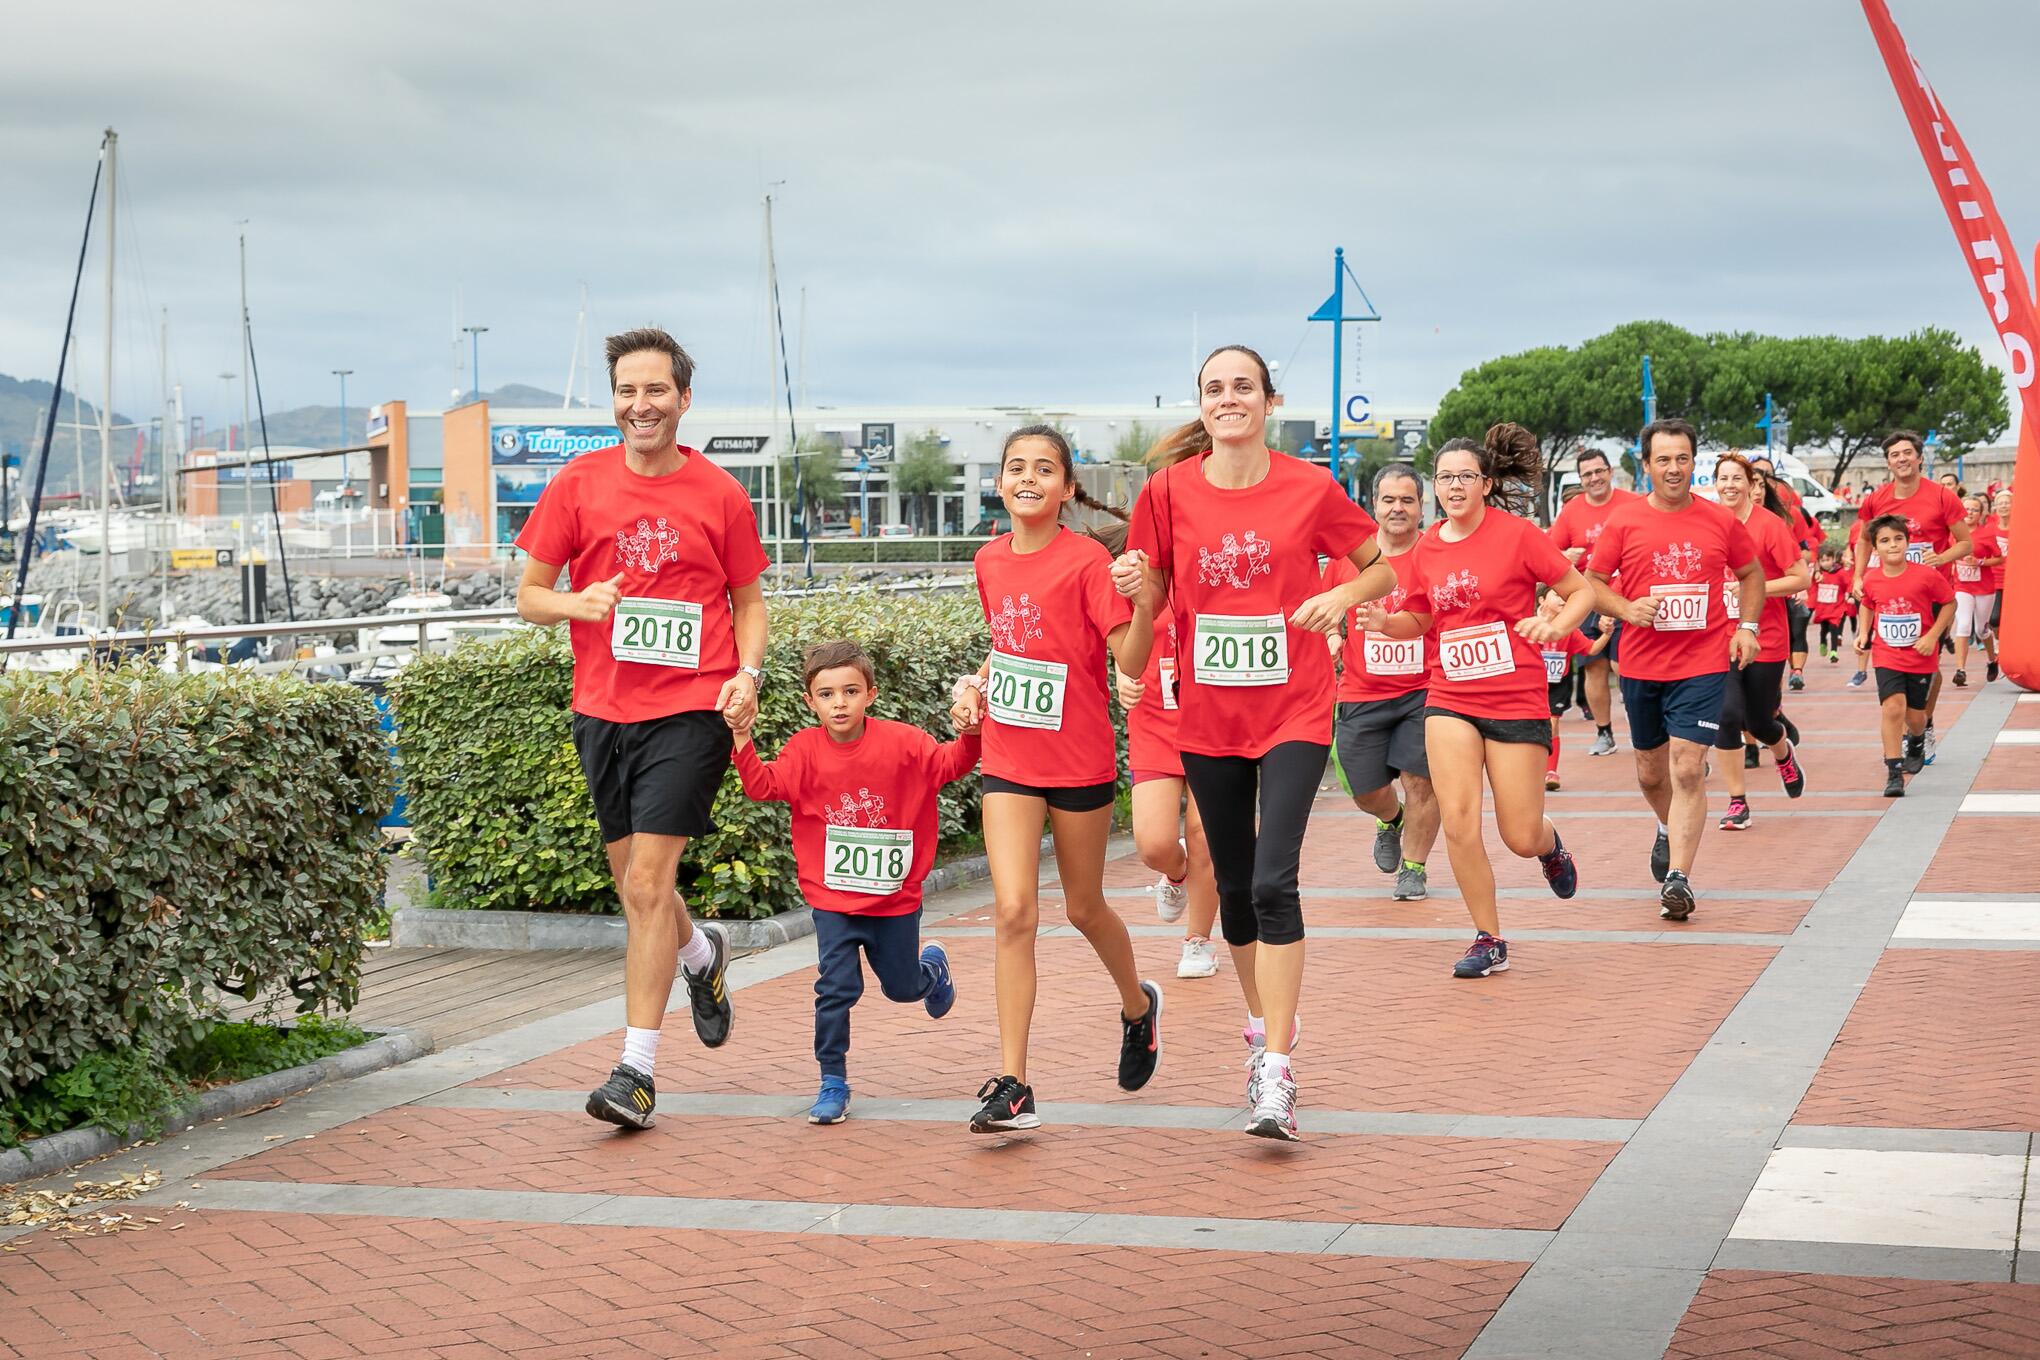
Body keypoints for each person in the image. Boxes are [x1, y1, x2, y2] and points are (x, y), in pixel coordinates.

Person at [1112, 344, 1394, 1142]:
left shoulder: (1310, 486)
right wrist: (1139, 604)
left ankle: (1276, 1068)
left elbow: (1381, 572)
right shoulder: (1164, 496)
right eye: (1214, 388)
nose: (1228, 398)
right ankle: (1262, 1021)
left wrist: (1339, 592)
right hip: (1208, 718)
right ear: (1200, 406)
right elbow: (1138, 645)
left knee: (1275, 882)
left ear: (1270, 402)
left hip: (1297, 709)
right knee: (1234, 890)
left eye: (1244, 387)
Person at [514, 327, 766, 1130]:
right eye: (627, 390)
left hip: (692, 709)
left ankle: (637, 1072)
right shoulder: (578, 484)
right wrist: (576, 604)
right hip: (604, 710)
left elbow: (749, 601)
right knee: (638, 890)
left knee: (652, 884)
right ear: (614, 400)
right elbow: (529, 594)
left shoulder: (720, 493)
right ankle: (702, 954)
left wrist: (747, 677)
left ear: (683, 400)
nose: (640, 404)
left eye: (655, 390)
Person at [949, 425, 1158, 1134]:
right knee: (1013, 912)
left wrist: (1148, 605)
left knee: (1083, 907)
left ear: (1068, 487)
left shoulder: (1087, 562)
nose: (1028, 477)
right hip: (1008, 758)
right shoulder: (987, 560)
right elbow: (1009, 647)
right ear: (1001, 484)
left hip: (1078, 760)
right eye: (1016, 467)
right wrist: (976, 685)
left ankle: (1137, 1006)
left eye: (1045, 468)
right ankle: (1015, 1083)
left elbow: (1128, 661)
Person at [1358, 424, 1590, 978]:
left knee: (1518, 833)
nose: (1454, 485)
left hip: (1515, 699)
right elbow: (1421, 616)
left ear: (1485, 483)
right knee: (1459, 820)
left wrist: (1553, 623)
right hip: (1449, 697)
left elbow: (1579, 591)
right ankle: (1488, 936)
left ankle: (1549, 845)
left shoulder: (1519, 536)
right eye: (1444, 477)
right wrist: (1387, 622)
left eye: (1465, 476)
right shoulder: (1429, 544)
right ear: (1435, 487)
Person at [730, 640, 978, 1124]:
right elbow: (764, 785)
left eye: (849, 691)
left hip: (894, 900)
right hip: (834, 900)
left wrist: (971, 733)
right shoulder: (804, 750)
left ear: (871, 694)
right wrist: (742, 739)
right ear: (810, 701)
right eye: (826, 694)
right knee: (836, 987)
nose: (838, 703)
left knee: (902, 989)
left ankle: (931, 971)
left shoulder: (904, 742)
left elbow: (952, 764)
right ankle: (832, 1080)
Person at [1586, 419, 1763, 923]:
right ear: (1645, 466)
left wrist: (1746, 626)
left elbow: (1751, 573)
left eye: (1682, 458)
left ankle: (1679, 878)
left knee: (1687, 767)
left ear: (1694, 463)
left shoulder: (1719, 520)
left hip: (1703, 662)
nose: (1673, 468)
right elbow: (1592, 581)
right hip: (1642, 663)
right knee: (1650, 772)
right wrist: (1624, 609)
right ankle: (1667, 827)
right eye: (1662, 459)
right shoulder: (1624, 522)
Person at [1325, 463, 1441, 902]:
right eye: (1389, 500)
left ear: (1420, 506)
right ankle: (1389, 819)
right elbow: (1322, 611)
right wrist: (1333, 635)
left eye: (1407, 500)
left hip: (1424, 691)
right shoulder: (1346, 560)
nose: (1398, 508)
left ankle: (1413, 868)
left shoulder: (1435, 554)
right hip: (1361, 692)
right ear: (1373, 504)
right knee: (1365, 789)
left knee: (1421, 781)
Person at [1116, 596, 1224, 979]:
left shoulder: (1209, 564)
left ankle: (1198, 940)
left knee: (1202, 835)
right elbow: (1111, 633)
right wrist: (1121, 673)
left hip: (1213, 724)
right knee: (1153, 844)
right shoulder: (1140, 572)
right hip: (1153, 724)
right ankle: (1177, 872)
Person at [1852, 432, 1970, 763]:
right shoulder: (1877, 499)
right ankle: (1909, 726)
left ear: (1920, 458)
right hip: (1890, 592)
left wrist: (1941, 559)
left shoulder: (1942, 497)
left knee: (1928, 660)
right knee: (1893, 661)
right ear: (1887, 461)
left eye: (1907, 453)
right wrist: (1859, 575)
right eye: (1894, 454)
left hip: (1931, 593)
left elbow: (1966, 543)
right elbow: (1863, 540)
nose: (1902, 459)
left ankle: (1923, 724)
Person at [1708, 454, 1810, 831]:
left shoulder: (1770, 526)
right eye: (1723, 479)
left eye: (1738, 478)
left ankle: (1781, 749)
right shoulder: (1709, 522)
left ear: (1753, 485)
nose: (1730, 485)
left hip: (1766, 638)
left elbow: (1800, 578)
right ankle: (1738, 801)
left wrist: (1754, 587)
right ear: (1715, 484)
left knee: (1760, 721)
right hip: (1720, 638)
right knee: (1728, 716)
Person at [1546, 447, 1639, 756]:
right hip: (1586, 598)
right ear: (1581, 479)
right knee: (1594, 668)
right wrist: (1563, 556)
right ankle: (1604, 732)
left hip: (1628, 595)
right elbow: (1545, 553)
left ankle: (1644, 724)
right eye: (1587, 474)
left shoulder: (1632, 505)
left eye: (1599, 471)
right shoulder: (1572, 511)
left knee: (1624, 665)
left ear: (1610, 472)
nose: (1594, 478)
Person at [1855, 515, 1956, 796]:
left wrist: (1932, 636)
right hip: (1886, 654)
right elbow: (1867, 604)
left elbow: (1949, 603)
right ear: (1876, 548)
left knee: (1915, 716)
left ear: (1907, 542)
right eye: (1885, 541)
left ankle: (1916, 738)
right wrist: (1864, 633)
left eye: (1898, 539)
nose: (1892, 545)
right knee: (1892, 708)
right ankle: (1893, 772)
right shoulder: (1872, 578)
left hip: (1920, 655)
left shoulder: (1925, 575)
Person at [1541, 591, 1608, 791]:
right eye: (1556, 595)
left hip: (1557, 685)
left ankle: (1551, 771)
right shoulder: (1529, 623)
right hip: (1531, 686)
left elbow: (1592, 649)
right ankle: (1532, 770)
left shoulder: (1569, 629)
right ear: (1542, 600)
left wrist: (1607, 634)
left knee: (1552, 724)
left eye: (1565, 596)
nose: (1562, 599)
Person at [1951, 494, 2001, 687]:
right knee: (1963, 625)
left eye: (1974, 509)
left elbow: (1999, 558)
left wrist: (1980, 562)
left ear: (1981, 514)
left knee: (1981, 629)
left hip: (1984, 588)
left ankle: (1991, 659)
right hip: (1962, 586)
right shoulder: (1953, 532)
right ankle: (1960, 670)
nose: (1969, 513)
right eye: (1967, 509)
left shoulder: (1986, 534)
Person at [1809, 545, 1853, 663]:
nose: (1825, 563)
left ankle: (1833, 652)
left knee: (1834, 628)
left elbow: (1849, 583)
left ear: (1833, 559)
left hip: (1836, 608)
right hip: (1822, 608)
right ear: (1819, 562)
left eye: (1828, 560)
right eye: (1822, 561)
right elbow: (1810, 586)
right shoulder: (1818, 575)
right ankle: (1823, 641)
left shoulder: (1840, 572)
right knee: (1824, 629)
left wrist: (1849, 595)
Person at [1987, 489, 2014, 670]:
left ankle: (2012, 648)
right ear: (1995, 506)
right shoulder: (1990, 529)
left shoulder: (2021, 528)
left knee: (2013, 618)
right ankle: (1998, 642)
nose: (2004, 506)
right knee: (1995, 618)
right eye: (2000, 502)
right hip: (1994, 580)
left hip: (2015, 581)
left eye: (2007, 502)